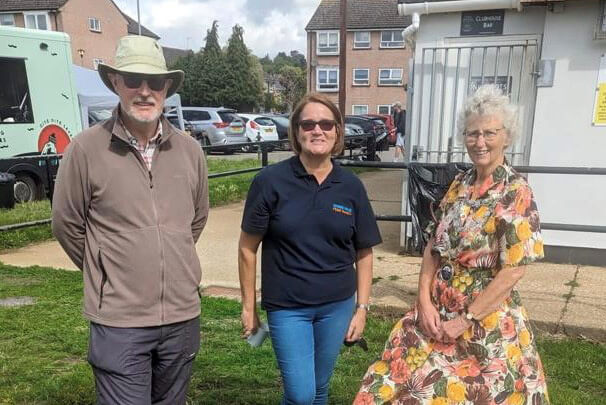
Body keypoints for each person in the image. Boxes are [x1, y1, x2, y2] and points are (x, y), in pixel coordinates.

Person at [354, 85, 549, 404]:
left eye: (489, 133)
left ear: (507, 136)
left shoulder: (516, 192)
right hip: (436, 311)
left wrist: (466, 320)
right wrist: (423, 301)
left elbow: (514, 270)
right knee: (392, 385)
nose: (480, 141)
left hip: (485, 322)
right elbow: (433, 245)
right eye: (472, 133)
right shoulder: (461, 183)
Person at [52, 35, 209, 405]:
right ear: (115, 82)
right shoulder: (86, 149)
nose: (144, 90)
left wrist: (172, 262)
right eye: (133, 79)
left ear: (166, 87)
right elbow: (66, 224)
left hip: (181, 318)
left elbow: (196, 220)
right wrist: (107, 268)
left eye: (154, 82)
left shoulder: (190, 150)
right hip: (119, 321)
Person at [239, 93, 382, 405]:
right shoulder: (270, 182)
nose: (318, 130)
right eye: (308, 124)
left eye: (326, 123)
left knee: (319, 388)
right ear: (296, 132)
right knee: (301, 395)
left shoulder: (350, 186)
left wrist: (362, 309)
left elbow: (364, 252)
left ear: (337, 131)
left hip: (337, 306)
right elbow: (247, 248)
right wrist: (249, 307)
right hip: (289, 308)